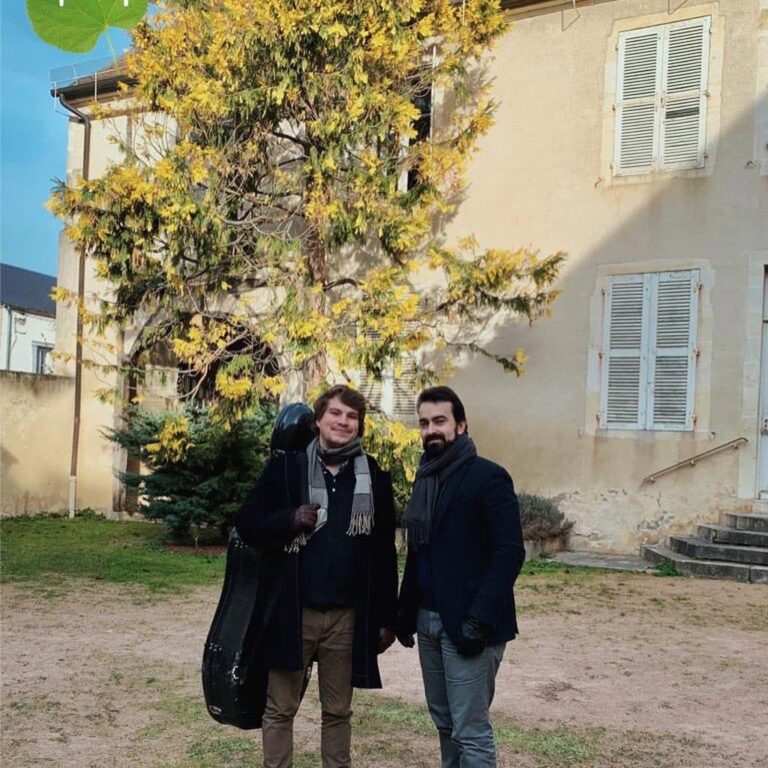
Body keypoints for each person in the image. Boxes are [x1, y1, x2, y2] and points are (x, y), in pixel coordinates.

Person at [234, 385, 398, 768]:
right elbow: (247, 522)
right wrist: (289, 519)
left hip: (345, 617)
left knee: (338, 710)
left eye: (352, 417)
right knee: (280, 708)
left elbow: (383, 553)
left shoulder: (372, 476)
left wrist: (388, 618)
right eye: (335, 413)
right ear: (318, 421)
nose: (343, 422)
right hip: (293, 610)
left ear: (359, 426)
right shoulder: (287, 469)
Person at [396, 386, 525, 768]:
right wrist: (405, 613)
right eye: (424, 423)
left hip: (470, 625)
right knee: (444, 723)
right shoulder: (426, 478)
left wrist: (478, 620)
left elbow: (509, 552)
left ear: (461, 425)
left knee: (470, 730)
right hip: (428, 621)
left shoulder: (489, 477)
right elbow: (419, 553)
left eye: (440, 421)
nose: (431, 430)